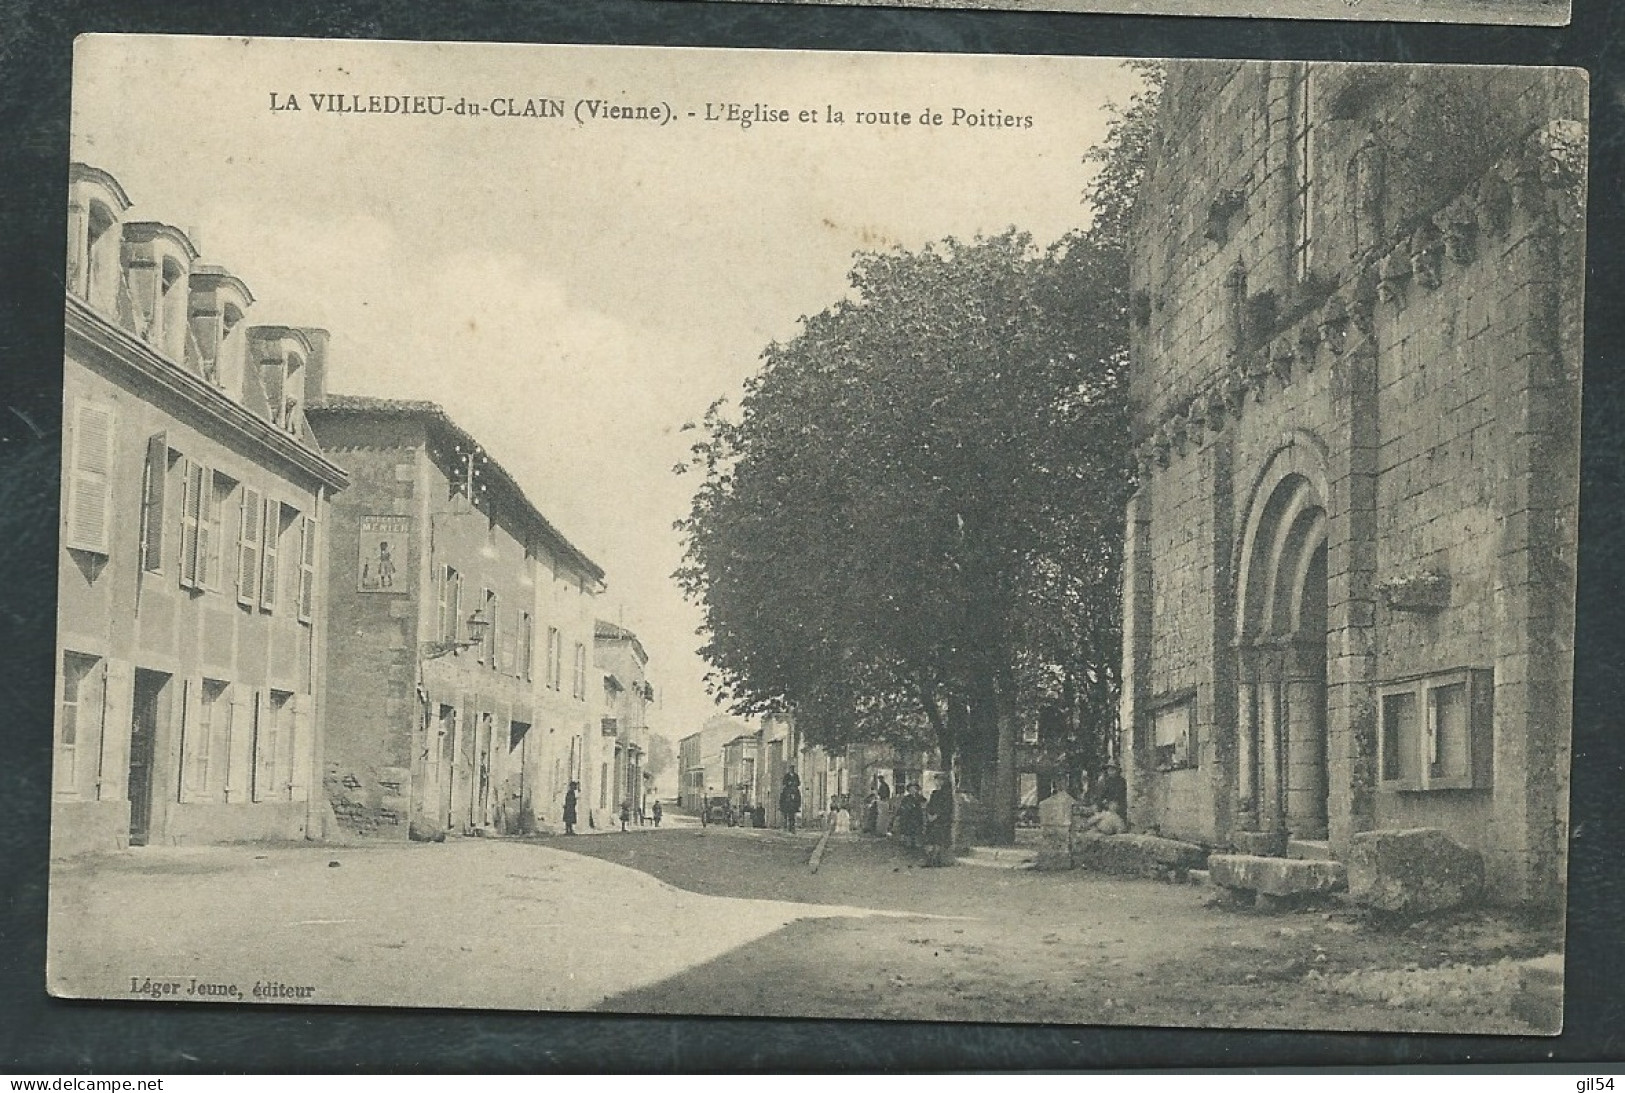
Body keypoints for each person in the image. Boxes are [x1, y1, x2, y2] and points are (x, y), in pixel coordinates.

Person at [923, 774, 953, 867]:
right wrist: (928, 814)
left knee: (938, 840)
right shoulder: (934, 793)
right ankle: (930, 859)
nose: (936, 782)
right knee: (930, 840)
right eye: (935, 780)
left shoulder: (947, 794)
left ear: (942, 781)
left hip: (941, 820)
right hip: (931, 819)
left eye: (938, 780)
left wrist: (936, 815)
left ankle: (936, 859)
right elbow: (930, 805)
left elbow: (946, 807)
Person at [894, 782, 924, 849]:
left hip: (917, 818)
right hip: (908, 818)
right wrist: (899, 815)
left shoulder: (920, 798)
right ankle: (908, 846)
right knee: (908, 832)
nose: (913, 790)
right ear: (908, 790)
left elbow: (922, 807)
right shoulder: (906, 798)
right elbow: (902, 808)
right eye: (911, 788)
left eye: (914, 788)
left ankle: (916, 845)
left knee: (916, 832)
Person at [780, 768, 803, 834]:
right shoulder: (786, 775)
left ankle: (797, 805)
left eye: (792, 769)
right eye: (790, 769)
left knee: (797, 794)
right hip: (788, 787)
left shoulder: (796, 775)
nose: (791, 770)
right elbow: (784, 782)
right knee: (783, 793)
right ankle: (782, 805)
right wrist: (788, 783)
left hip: (794, 787)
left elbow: (798, 783)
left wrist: (795, 783)